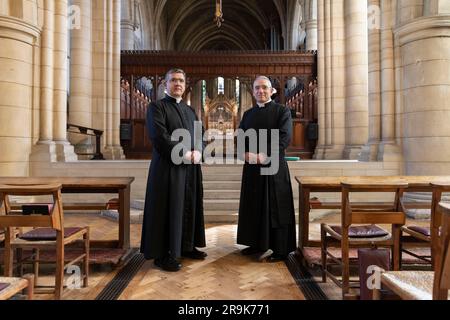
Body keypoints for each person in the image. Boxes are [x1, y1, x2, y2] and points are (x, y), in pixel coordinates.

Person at [140, 68, 207, 272]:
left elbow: (200, 135)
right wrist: (184, 154)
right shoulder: (156, 107)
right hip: (168, 168)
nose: (177, 84)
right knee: (168, 207)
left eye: (181, 81)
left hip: (190, 168)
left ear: (185, 85)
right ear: (165, 84)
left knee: (189, 204)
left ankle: (186, 246)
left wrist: (199, 151)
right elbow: (159, 136)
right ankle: (164, 254)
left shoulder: (190, 111)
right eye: (173, 80)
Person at [237, 76, 296, 262]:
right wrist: (244, 154)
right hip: (253, 169)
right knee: (254, 205)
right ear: (253, 92)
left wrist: (264, 155)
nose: (260, 91)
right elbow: (240, 137)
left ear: (272, 91)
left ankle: (280, 249)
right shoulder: (247, 115)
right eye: (257, 88)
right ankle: (256, 243)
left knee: (276, 207)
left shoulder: (282, 111)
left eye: (264, 87)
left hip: (274, 167)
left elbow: (284, 137)